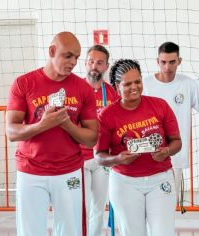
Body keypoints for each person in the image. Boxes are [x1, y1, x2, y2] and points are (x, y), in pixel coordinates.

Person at [5, 32, 98, 236]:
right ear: (52, 51)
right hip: (31, 171)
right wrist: (42, 125)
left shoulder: (83, 88)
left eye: (76, 57)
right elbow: (11, 131)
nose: (74, 62)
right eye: (68, 56)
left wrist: (67, 125)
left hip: (69, 171)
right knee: (30, 232)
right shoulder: (24, 83)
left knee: (70, 231)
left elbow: (92, 138)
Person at [94, 59, 182, 236]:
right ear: (117, 86)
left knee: (163, 232)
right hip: (125, 183)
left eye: (138, 81)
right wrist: (118, 159)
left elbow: (176, 142)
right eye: (127, 84)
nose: (134, 87)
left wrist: (166, 151)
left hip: (160, 179)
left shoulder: (160, 105)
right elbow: (99, 156)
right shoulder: (107, 115)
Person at [142, 42, 199, 203]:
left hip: (175, 155)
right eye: (163, 62)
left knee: (169, 203)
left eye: (172, 62)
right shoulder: (145, 84)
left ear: (179, 61)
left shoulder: (188, 84)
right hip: (146, 154)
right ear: (157, 61)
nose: (167, 67)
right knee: (146, 203)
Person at [82, 45, 119, 236]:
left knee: (98, 206)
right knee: (82, 207)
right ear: (85, 63)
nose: (94, 66)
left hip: (102, 158)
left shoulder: (113, 93)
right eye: (90, 61)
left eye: (99, 62)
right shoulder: (74, 89)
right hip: (79, 158)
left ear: (106, 66)